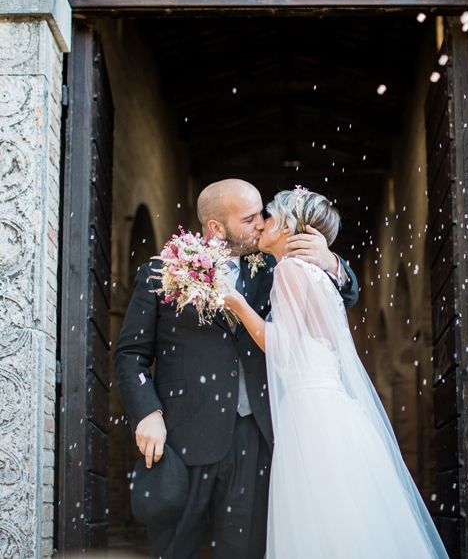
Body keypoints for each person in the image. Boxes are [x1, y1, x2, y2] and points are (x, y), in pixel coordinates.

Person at [114, 179, 359, 559]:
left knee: (245, 550)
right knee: (176, 549)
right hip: (183, 434)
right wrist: (147, 412)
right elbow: (130, 353)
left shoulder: (275, 266)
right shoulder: (160, 271)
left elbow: (342, 296)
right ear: (216, 228)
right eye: (249, 218)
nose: (261, 224)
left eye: (262, 213)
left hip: (254, 436)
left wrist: (332, 262)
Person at [223, 188, 448, 559]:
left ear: (289, 228)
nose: (263, 222)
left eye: (270, 215)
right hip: (328, 406)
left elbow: (279, 344)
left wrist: (237, 303)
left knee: (319, 515)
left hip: (311, 413)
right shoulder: (311, 273)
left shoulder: (292, 271)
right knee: (344, 515)